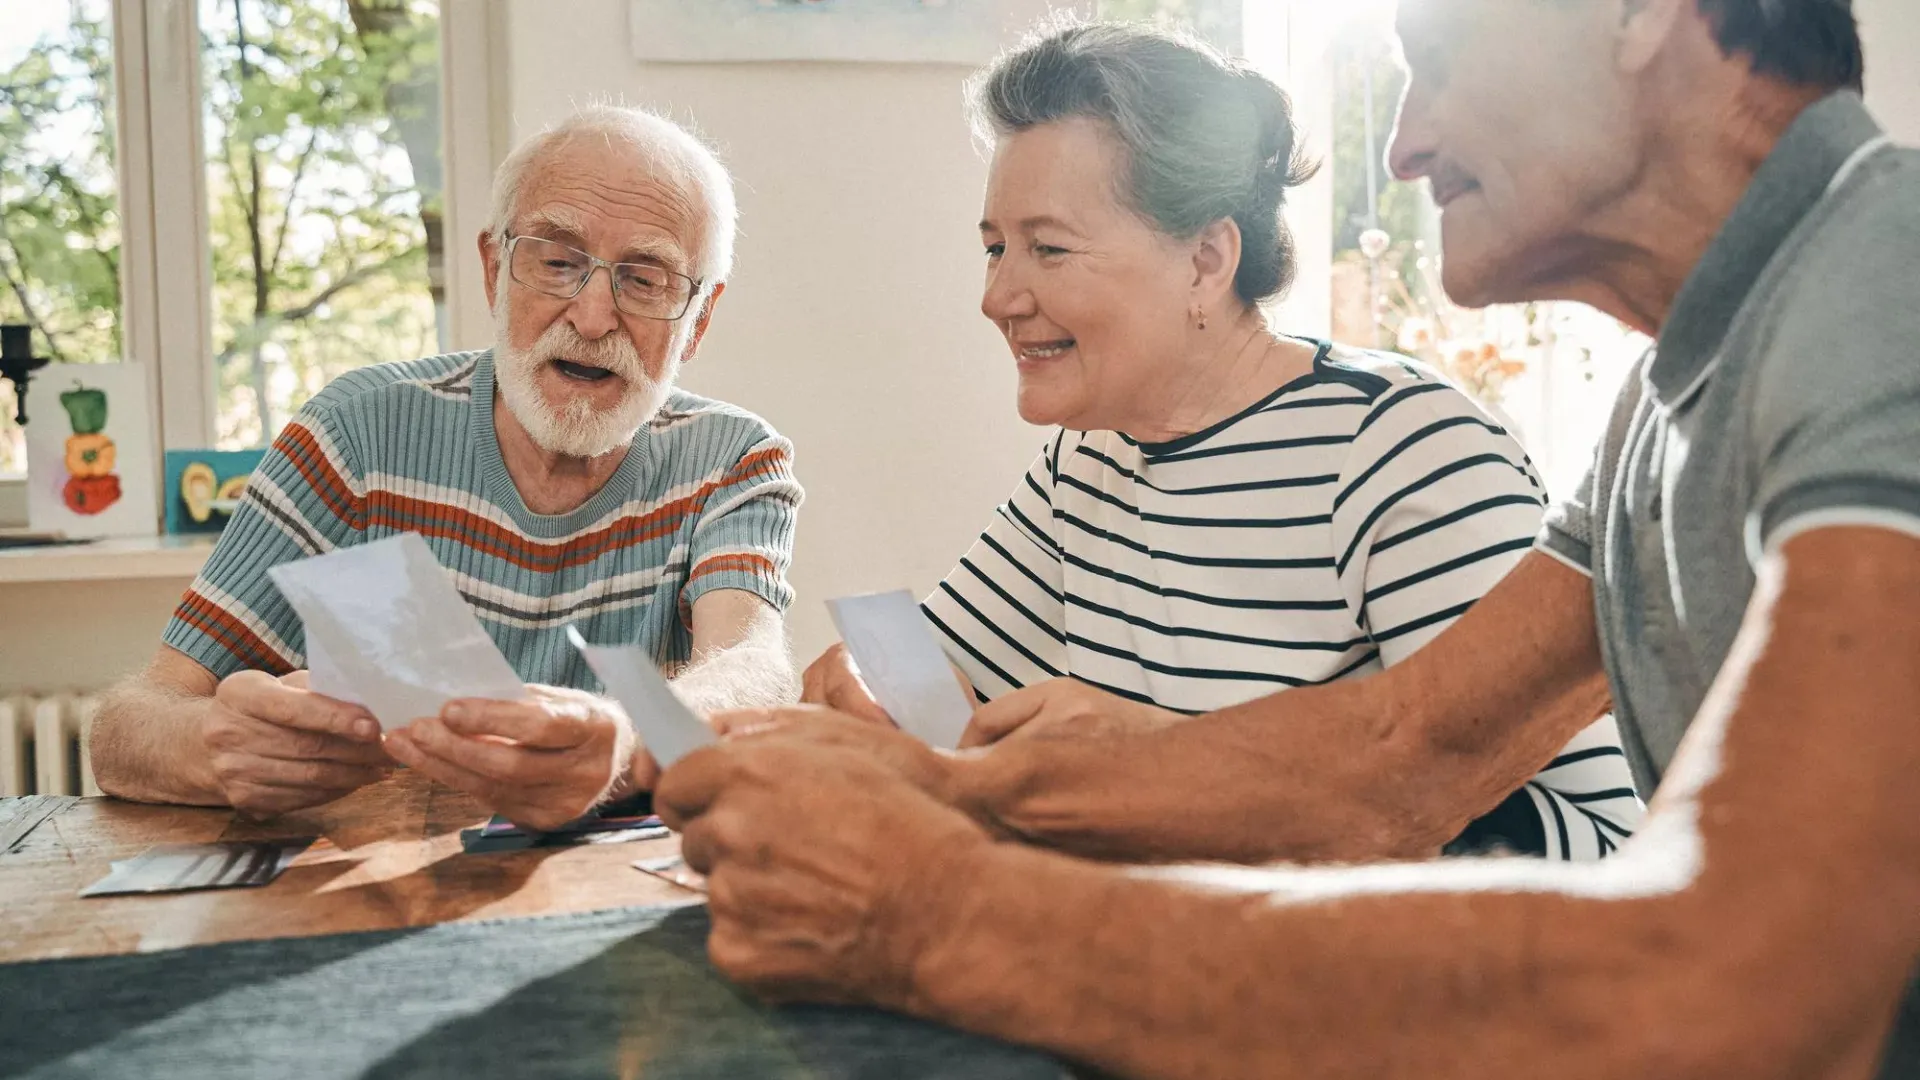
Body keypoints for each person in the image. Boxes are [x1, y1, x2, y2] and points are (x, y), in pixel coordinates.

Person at [660, 4, 1920, 1077]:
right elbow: (1401, 752)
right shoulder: (1672, 395)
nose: (1411, 139)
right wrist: (942, 789)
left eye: (1438, 51)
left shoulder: (1885, 277)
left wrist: (938, 912)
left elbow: (1754, 995)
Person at [801, 24, 1639, 860]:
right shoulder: (1093, 458)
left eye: (1047, 248)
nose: (998, 297)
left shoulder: (1402, 449)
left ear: (1205, 259)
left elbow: (1604, 848)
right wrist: (872, 681)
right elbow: (942, 675)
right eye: (995, 248)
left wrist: (1169, 773)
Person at [91, 106, 804, 831]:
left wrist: (623, 742)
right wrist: (217, 749)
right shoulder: (355, 433)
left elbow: (753, 671)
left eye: (645, 279)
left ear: (698, 321)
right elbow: (129, 728)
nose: (592, 317)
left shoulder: (733, 460)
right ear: (495, 270)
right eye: (557, 263)